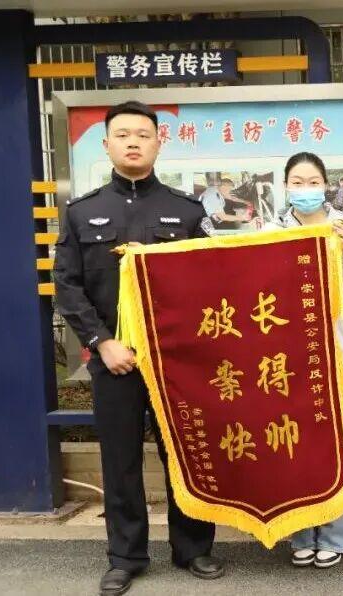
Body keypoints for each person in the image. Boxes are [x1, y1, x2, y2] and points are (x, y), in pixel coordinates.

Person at [53, 101, 225, 596]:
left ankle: (193, 547)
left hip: (177, 364)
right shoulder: (82, 212)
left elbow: (211, 283)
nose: (133, 141)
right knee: (120, 460)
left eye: (143, 134)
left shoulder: (188, 211)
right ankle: (125, 556)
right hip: (115, 361)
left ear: (158, 143)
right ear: (107, 143)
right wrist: (101, 342)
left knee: (186, 453)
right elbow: (68, 286)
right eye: (123, 134)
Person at [263, 152, 343, 568]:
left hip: (337, 353)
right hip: (286, 357)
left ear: (325, 185)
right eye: (297, 181)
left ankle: (336, 535)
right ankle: (301, 534)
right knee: (295, 444)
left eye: (312, 182)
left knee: (339, 445)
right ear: (285, 186)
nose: (305, 189)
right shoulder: (271, 231)